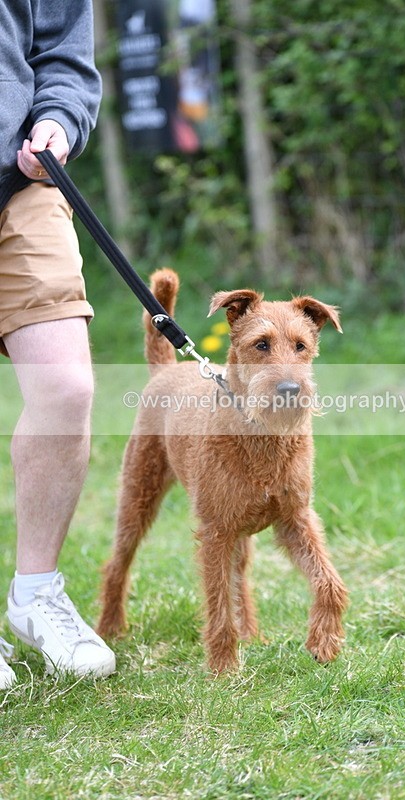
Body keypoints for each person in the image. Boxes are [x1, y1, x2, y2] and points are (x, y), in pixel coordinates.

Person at [0, 1, 115, 689]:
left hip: (22, 185)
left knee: (66, 387)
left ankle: (36, 594)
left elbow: (65, 59)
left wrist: (57, 122)